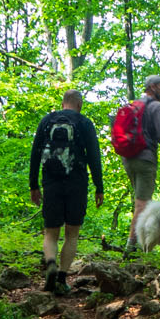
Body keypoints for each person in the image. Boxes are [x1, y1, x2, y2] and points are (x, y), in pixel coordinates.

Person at [29, 89, 103, 294]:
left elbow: (35, 154)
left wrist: (33, 185)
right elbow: (94, 156)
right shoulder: (84, 123)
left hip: (51, 183)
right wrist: (99, 187)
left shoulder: (47, 121)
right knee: (72, 233)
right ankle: (61, 277)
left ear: (63, 103)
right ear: (79, 105)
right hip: (77, 183)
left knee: (51, 232)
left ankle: (51, 263)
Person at [119, 74, 160, 251]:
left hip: (128, 159)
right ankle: (131, 247)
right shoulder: (157, 107)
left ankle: (135, 244)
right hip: (145, 160)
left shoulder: (133, 105)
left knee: (139, 202)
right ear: (152, 87)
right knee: (142, 204)